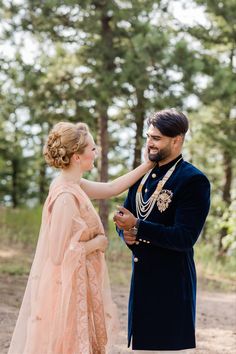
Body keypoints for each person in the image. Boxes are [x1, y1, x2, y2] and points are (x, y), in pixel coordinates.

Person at [8, 121, 154, 354]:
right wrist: (96, 243)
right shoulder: (65, 195)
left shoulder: (73, 183)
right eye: (92, 148)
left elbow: (111, 187)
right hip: (66, 286)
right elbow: (57, 255)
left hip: (79, 280)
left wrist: (147, 164)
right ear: (77, 157)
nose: (96, 152)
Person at [114, 109, 211, 353]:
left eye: (156, 138)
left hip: (172, 286)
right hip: (142, 283)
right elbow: (127, 217)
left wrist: (136, 226)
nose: (150, 143)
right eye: (148, 137)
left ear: (177, 140)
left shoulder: (193, 180)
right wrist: (124, 231)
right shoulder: (142, 175)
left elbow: (184, 237)